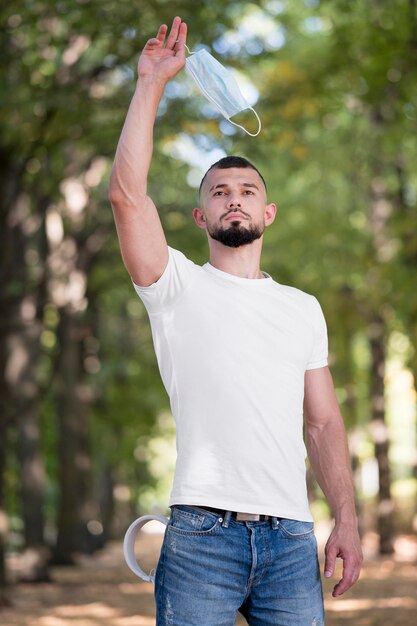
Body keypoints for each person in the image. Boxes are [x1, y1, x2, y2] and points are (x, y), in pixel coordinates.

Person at [109, 16, 363, 626]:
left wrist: (347, 522)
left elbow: (324, 423)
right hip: (200, 537)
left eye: (247, 191)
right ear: (200, 216)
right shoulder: (174, 286)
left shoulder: (302, 308)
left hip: (291, 540)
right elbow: (126, 196)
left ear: (267, 213)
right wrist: (149, 84)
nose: (234, 198)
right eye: (219, 191)